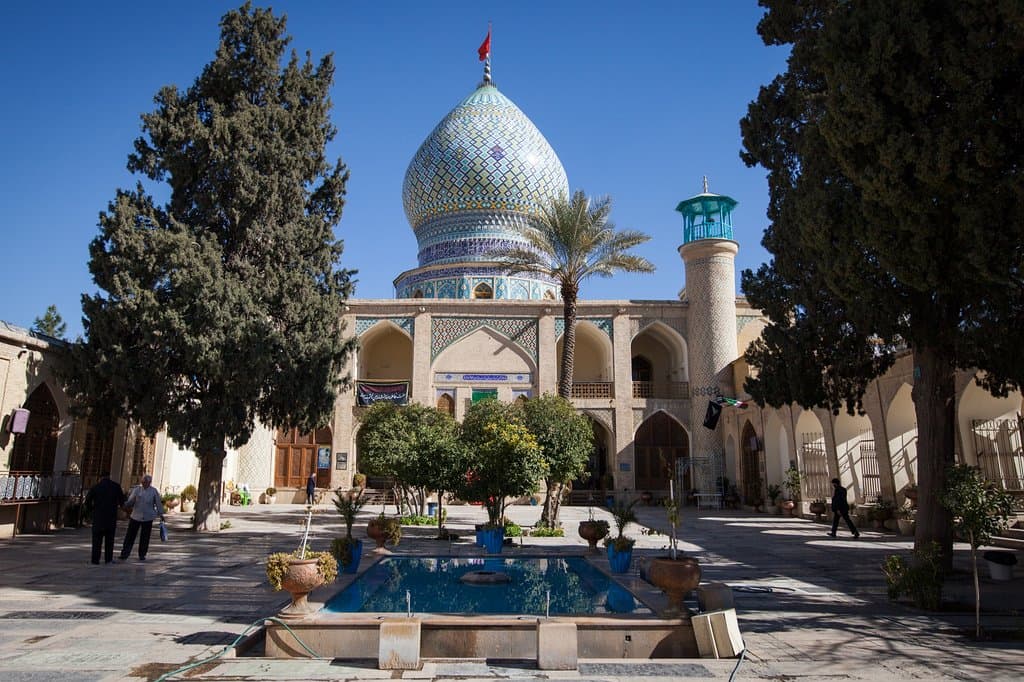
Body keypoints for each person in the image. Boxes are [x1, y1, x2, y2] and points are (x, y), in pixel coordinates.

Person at [120, 474, 165, 561]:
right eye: (143, 482)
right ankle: (125, 553)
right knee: (130, 536)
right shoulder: (137, 490)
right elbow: (131, 501)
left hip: (148, 517)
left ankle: (142, 554)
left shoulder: (153, 491)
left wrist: (161, 514)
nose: (144, 483)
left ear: (149, 482)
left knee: (145, 537)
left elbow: (158, 503)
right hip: (135, 516)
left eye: (146, 482)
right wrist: (125, 505)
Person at [84, 471, 126, 565]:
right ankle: (108, 559)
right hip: (111, 517)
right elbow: (122, 502)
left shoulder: (96, 487)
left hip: (98, 517)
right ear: (109, 476)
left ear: (100, 478)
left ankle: (95, 560)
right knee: (109, 540)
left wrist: (92, 511)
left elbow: (87, 502)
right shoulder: (116, 486)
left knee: (97, 540)